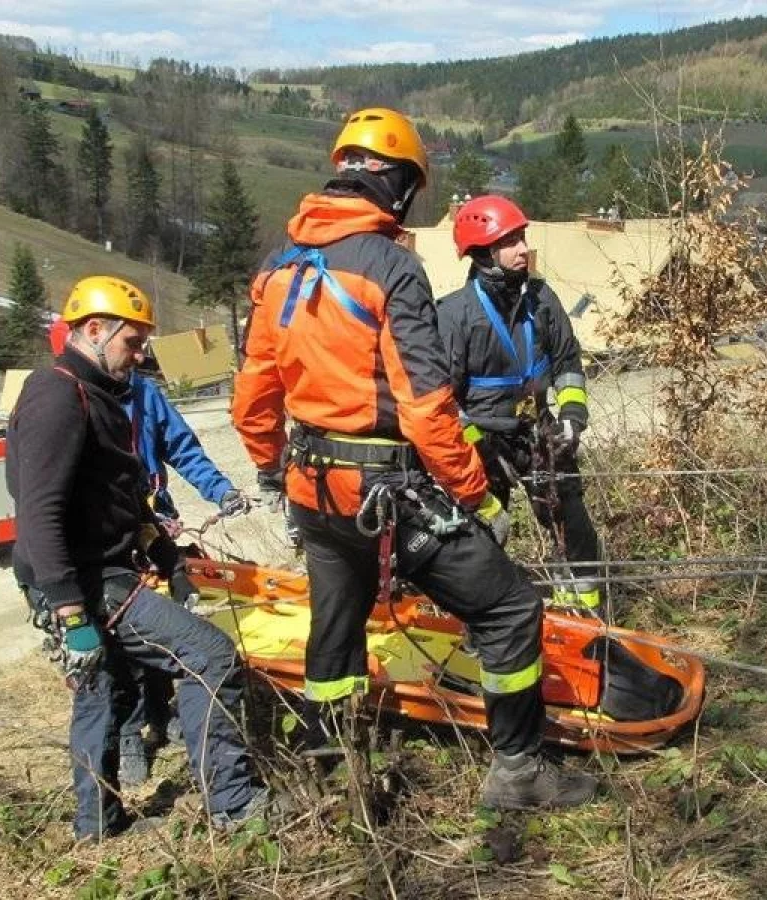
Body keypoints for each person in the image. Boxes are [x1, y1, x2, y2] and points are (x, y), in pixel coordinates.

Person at [232, 108, 597, 809]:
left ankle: (331, 775)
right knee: (511, 609)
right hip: (386, 492)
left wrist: (273, 468)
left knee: (335, 628)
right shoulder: (392, 269)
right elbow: (427, 408)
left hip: (315, 491)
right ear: (397, 184)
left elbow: (253, 394)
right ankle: (518, 773)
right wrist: (477, 497)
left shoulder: (277, 269)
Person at [9, 276, 264, 840]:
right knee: (209, 657)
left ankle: (96, 825)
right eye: (133, 339)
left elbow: (119, 495)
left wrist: (163, 548)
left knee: (105, 690)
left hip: (94, 570)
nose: (143, 351)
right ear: (94, 330)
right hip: (86, 579)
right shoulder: (57, 397)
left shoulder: (98, 392)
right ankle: (233, 803)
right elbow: (39, 513)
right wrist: (72, 613)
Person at [49, 319, 253, 784]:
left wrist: (220, 491)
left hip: (152, 529)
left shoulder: (143, 395)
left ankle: (164, 717)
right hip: (111, 546)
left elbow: (182, 447)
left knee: (169, 634)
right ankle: (128, 735)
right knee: (123, 655)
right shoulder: (68, 401)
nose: (136, 357)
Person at [437, 195, 605, 617]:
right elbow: (442, 400)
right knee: (480, 539)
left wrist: (571, 418)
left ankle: (583, 612)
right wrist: (479, 449)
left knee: (572, 521)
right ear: (481, 253)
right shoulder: (455, 315)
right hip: (482, 441)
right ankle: (488, 624)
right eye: (509, 242)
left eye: (522, 239)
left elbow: (567, 363)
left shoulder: (542, 300)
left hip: (539, 431)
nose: (522, 249)